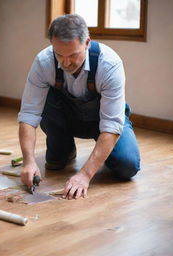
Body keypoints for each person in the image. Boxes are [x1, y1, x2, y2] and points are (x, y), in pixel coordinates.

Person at [18, 14, 140, 200]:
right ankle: (65, 150)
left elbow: (111, 125)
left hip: (102, 123)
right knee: (55, 163)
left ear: (87, 42)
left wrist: (85, 174)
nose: (66, 63)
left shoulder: (109, 64)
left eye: (73, 55)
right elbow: (29, 114)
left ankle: (103, 155)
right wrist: (28, 162)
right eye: (59, 55)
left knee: (127, 167)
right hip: (64, 119)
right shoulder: (43, 62)